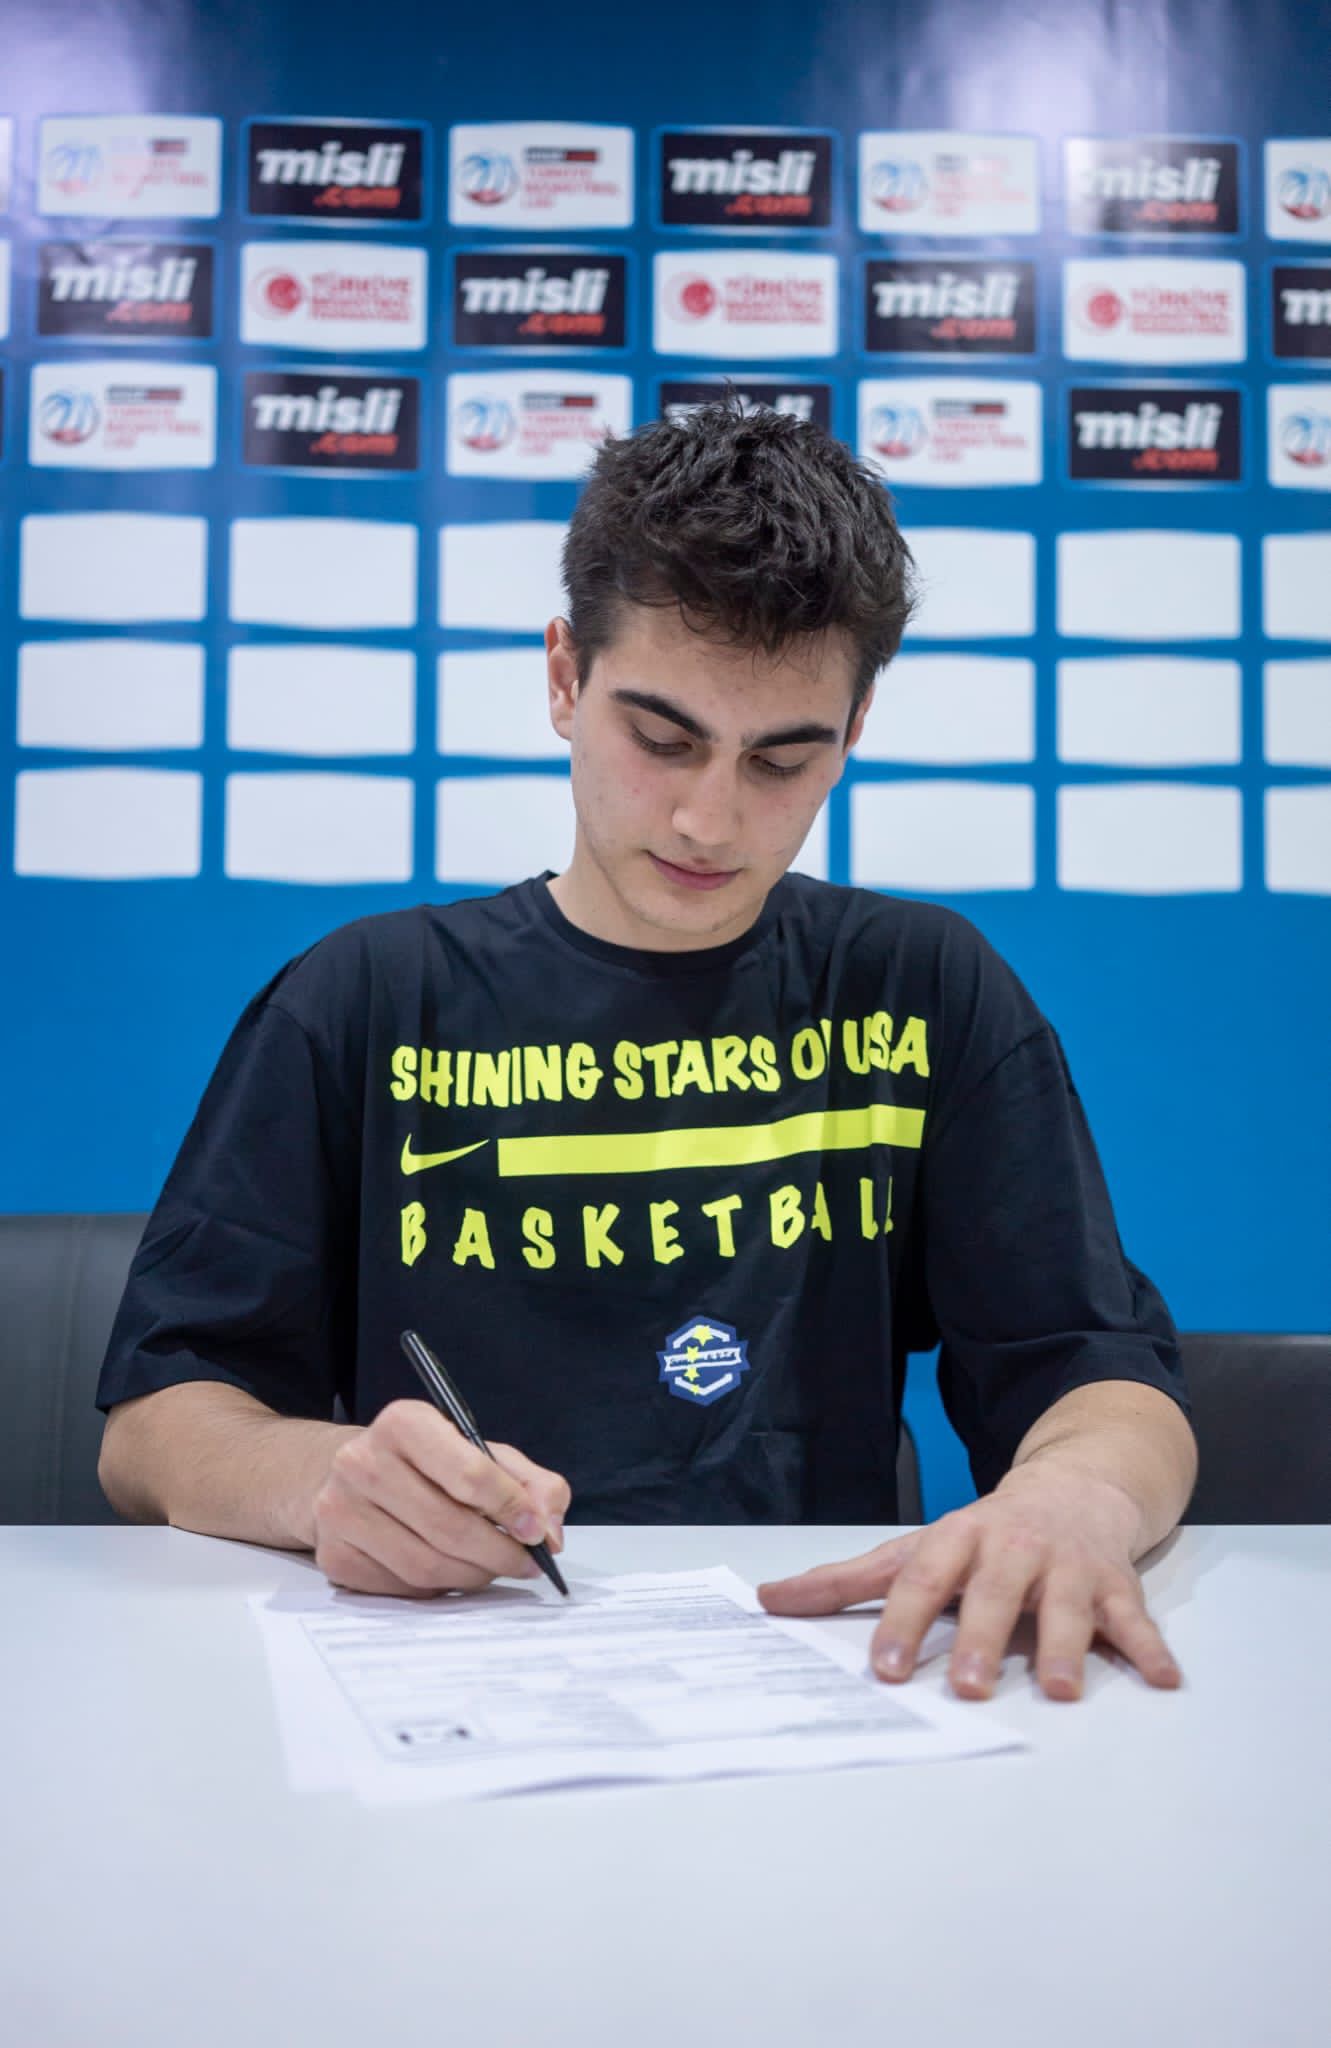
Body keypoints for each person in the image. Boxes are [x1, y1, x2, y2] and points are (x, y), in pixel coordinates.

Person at [96, 396, 1198, 1706]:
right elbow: (156, 1425)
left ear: (854, 730)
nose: (707, 820)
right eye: (662, 740)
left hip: (816, 1677)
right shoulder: (367, 999)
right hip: (442, 1672)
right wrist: (321, 1480)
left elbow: (1103, 1377)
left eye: (780, 761)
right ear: (565, 679)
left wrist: (1075, 1497)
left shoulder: (921, 989)